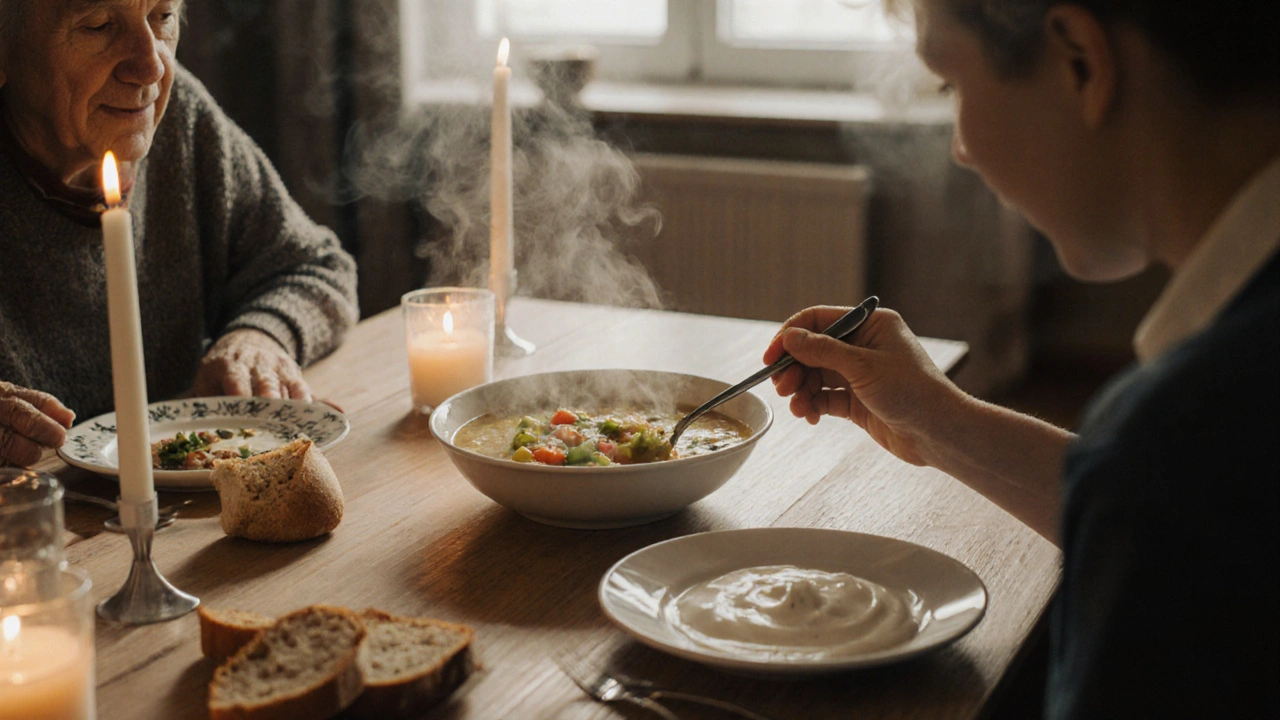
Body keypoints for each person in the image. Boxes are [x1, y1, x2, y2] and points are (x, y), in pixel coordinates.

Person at [765, 0, 1278, 717]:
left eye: (951, 83)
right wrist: (938, 422)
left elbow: (1165, 499)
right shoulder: (1198, 461)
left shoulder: (1177, 446)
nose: (962, 149)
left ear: (1080, 61)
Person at [0, 0, 359, 467]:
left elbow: (315, 266)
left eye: (163, 17)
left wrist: (257, 338)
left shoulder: (175, 116)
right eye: (99, 26)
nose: (151, 67)